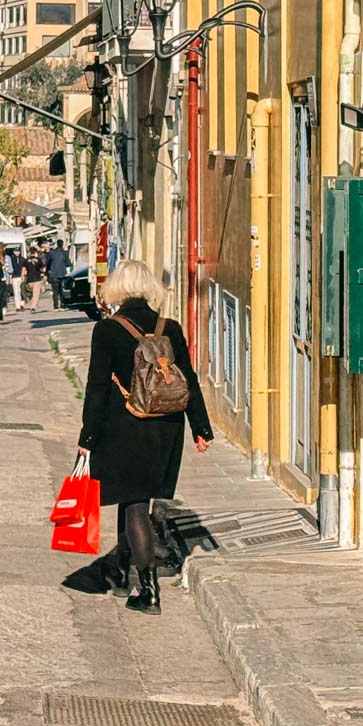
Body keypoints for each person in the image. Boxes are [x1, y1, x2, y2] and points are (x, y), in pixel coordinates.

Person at [78, 259, 214, 614]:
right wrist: (201, 427)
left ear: (117, 290)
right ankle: (121, 574)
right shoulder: (170, 327)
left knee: (134, 503)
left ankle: (149, 591)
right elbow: (189, 381)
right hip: (166, 427)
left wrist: (87, 437)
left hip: (125, 426)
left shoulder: (107, 330)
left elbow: (95, 389)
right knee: (135, 499)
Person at [46, 243, 72, 309]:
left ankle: (55, 307)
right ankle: (62, 305)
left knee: (55, 291)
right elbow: (68, 264)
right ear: (62, 244)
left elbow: (48, 263)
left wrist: (48, 271)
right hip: (62, 274)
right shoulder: (64, 253)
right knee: (61, 291)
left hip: (54, 274)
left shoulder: (52, 253)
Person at [22, 245, 46, 311]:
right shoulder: (38, 260)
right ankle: (33, 306)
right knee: (36, 294)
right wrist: (42, 273)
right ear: (35, 252)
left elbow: (23, 269)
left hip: (29, 280)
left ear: (29, 252)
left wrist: (23, 277)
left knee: (31, 294)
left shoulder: (26, 260)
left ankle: (29, 304)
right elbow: (44, 269)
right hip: (37, 279)